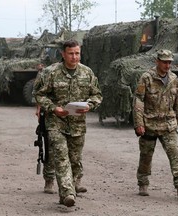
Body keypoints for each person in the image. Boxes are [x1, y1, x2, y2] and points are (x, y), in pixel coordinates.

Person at [34, 40, 102, 207]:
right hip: (56, 122)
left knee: (75, 159)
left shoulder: (87, 72)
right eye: (71, 53)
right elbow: (39, 94)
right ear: (63, 54)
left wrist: (90, 105)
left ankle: (73, 184)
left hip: (78, 124)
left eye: (77, 53)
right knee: (61, 157)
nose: (74, 56)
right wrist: (53, 108)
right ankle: (67, 194)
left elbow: (97, 95)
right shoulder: (51, 73)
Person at [132, 49, 178, 199]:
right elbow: (138, 100)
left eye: (169, 62)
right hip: (149, 124)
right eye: (164, 62)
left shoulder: (174, 78)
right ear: (157, 61)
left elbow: (177, 100)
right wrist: (139, 123)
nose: (167, 65)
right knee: (146, 156)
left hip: (168, 124)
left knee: (175, 154)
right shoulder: (147, 78)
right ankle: (143, 183)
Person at [33, 63, 56, 194]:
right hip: (50, 114)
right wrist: (39, 109)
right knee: (49, 148)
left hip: (69, 116)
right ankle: (49, 180)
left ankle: (73, 181)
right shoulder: (46, 72)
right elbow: (37, 92)